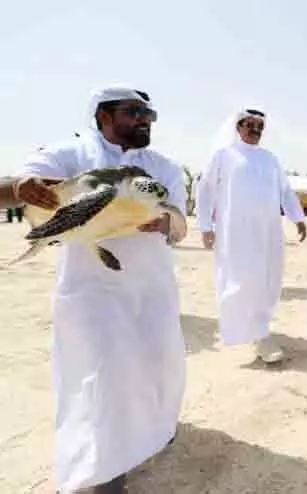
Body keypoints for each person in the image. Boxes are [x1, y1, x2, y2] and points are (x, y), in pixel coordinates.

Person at [4, 85, 187, 493]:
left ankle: (158, 427)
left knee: (160, 365)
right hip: (92, 288)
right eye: (133, 112)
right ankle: (106, 468)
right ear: (104, 115)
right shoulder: (71, 154)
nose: (144, 120)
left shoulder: (164, 167)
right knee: (106, 376)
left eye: (149, 115)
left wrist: (164, 223)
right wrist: (21, 188)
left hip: (152, 286)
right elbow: (13, 187)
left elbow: (179, 220)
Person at [195, 106, 307, 363]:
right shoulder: (223, 156)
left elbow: (285, 191)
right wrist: (205, 226)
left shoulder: (270, 158)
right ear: (238, 127)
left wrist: (298, 218)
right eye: (250, 125)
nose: (255, 131)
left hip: (267, 231)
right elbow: (205, 191)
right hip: (235, 232)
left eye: (260, 127)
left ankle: (260, 332)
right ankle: (245, 332)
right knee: (241, 280)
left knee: (267, 279)